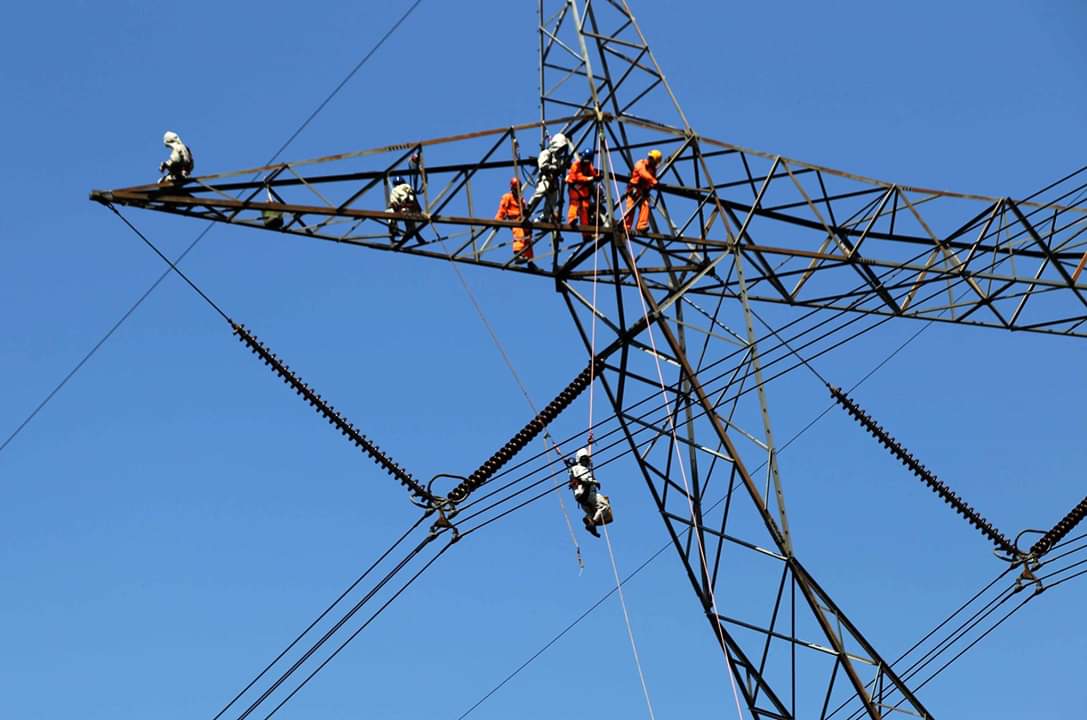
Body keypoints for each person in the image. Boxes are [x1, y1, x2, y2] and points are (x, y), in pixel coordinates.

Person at [566, 446, 613, 537]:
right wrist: (595, 482)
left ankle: (589, 520)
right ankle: (593, 523)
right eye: (584, 459)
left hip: (581, 499)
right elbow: (584, 478)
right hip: (588, 493)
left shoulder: (573, 470)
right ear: (579, 460)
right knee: (604, 505)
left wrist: (590, 444)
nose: (586, 462)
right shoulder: (580, 468)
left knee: (593, 512)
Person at [528, 132, 574, 225]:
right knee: (540, 192)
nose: (560, 151)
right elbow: (542, 166)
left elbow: (562, 165)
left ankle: (545, 217)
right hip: (546, 178)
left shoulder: (558, 158)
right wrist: (554, 168)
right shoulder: (546, 153)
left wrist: (566, 161)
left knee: (552, 200)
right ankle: (529, 207)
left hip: (554, 181)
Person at [495, 177, 533, 264]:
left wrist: (526, 211)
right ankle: (518, 254)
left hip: (523, 220)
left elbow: (525, 209)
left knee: (528, 238)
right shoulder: (507, 197)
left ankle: (530, 261)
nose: (518, 191)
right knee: (519, 233)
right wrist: (497, 221)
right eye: (516, 189)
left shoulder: (521, 199)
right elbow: (502, 210)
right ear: (512, 188)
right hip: (515, 221)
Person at [566, 148, 602, 239]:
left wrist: (597, 176)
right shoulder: (576, 165)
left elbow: (592, 173)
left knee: (585, 209)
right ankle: (571, 219)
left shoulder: (588, 165)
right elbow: (577, 177)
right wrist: (589, 178)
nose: (585, 162)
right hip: (574, 188)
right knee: (574, 204)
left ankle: (586, 234)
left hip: (583, 189)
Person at [624, 149, 661, 233]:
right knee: (630, 209)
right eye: (650, 158)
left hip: (642, 192)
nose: (651, 160)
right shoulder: (640, 163)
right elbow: (643, 173)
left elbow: (651, 181)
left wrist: (653, 184)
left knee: (645, 206)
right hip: (633, 189)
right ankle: (626, 228)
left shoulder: (653, 170)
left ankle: (641, 226)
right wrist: (653, 181)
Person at [387, 175, 421, 242]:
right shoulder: (408, 187)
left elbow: (394, 203)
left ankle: (394, 230)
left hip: (405, 209)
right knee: (410, 223)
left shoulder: (395, 190)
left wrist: (395, 207)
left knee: (389, 212)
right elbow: (414, 202)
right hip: (414, 210)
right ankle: (414, 233)